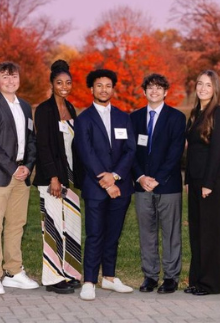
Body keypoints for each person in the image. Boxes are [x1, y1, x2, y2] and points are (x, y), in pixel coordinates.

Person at [0, 61, 39, 296]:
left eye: (14, 77)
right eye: (5, 77)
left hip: (21, 175)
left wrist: (28, 166)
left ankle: (13, 272)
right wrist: (13, 168)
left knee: (16, 224)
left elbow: (32, 139)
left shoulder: (25, 106)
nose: (10, 81)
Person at [74, 69, 136, 301]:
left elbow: (130, 150)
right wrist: (106, 180)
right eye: (99, 85)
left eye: (108, 85)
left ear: (113, 89)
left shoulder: (123, 117)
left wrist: (116, 176)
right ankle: (89, 280)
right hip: (95, 188)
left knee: (113, 235)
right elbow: (86, 153)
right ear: (91, 89)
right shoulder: (84, 119)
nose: (103, 90)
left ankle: (109, 278)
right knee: (95, 234)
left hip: (121, 187)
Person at [130, 73, 186, 294]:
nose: (154, 91)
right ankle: (150, 276)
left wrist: (157, 179)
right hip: (141, 185)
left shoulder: (176, 118)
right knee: (147, 232)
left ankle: (171, 277)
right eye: (150, 88)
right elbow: (130, 151)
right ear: (144, 92)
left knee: (171, 232)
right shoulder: (133, 118)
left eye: (159, 88)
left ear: (165, 92)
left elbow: (175, 152)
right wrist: (141, 177)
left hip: (168, 185)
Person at [33, 60, 83, 295]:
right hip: (52, 178)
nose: (64, 86)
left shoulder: (71, 108)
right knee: (53, 227)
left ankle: (70, 272)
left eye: (68, 83)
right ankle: (52, 278)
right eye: (59, 82)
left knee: (71, 225)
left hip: (71, 178)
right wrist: (54, 177)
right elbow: (43, 146)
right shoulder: (44, 110)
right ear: (52, 84)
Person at [184, 70, 220, 296]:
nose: (202, 88)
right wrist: (189, 180)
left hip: (211, 181)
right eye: (200, 84)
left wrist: (208, 183)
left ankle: (211, 284)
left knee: (210, 233)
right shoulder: (195, 112)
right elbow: (191, 151)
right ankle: (197, 280)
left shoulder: (218, 113)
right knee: (197, 232)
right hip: (196, 180)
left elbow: (218, 150)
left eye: (208, 85)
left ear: (215, 89)